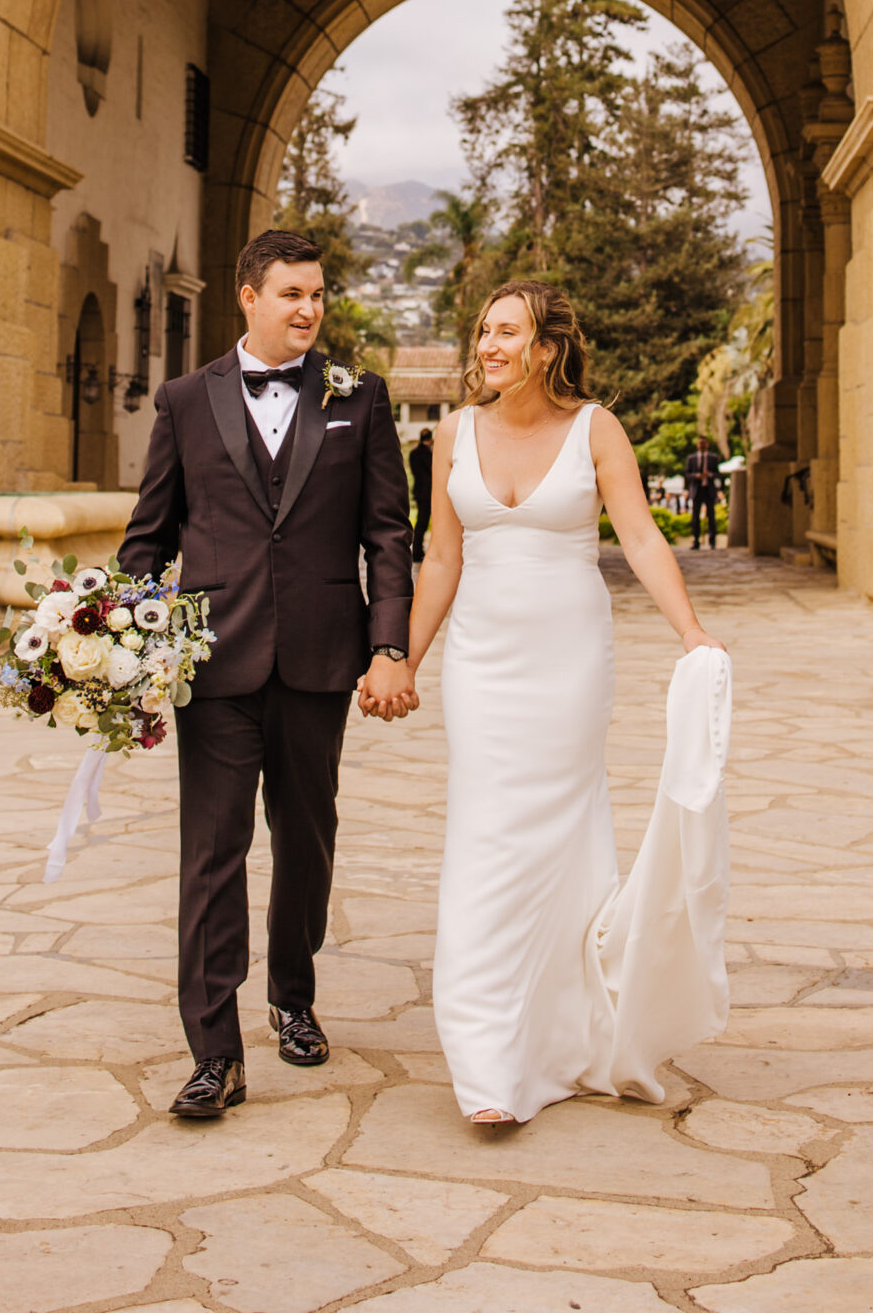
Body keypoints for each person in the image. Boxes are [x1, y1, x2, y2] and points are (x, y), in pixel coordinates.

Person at [364, 279, 728, 1124]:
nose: (486, 347)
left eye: (505, 333)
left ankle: (565, 1037)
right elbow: (442, 558)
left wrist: (692, 633)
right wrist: (401, 660)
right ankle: (489, 1064)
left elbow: (636, 533)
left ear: (546, 348)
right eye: (483, 332)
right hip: (483, 666)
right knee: (486, 838)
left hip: (569, 660)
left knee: (562, 836)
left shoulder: (595, 429)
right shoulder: (452, 434)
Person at [118, 228, 414, 1120]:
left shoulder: (357, 398)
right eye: (291, 293)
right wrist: (120, 642)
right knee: (210, 856)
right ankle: (214, 1052)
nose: (308, 309)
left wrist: (389, 645)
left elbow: (387, 535)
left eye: (316, 294)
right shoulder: (182, 399)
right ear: (247, 297)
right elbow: (150, 534)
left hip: (320, 659)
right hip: (214, 661)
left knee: (306, 841)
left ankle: (291, 993)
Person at [686, 437, 724, 550]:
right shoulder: (691, 458)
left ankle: (712, 541)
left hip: (709, 489)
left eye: (704, 443)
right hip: (697, 490)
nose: (702, 445)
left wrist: (710, 475)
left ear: (707, 444)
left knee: (711, 516)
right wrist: (696, 475)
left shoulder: (713, 458)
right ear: (697, 445)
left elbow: (718, 474)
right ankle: (696, 540)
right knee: (695, 517)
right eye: (700, 443)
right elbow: (687, 474)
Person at [409, 425, 434, 562]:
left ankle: (417, 549)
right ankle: (417, 550)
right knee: (423, 522)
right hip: (428, 492)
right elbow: (432, 471)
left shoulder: (413, 453)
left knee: (421, 522)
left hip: (419, 491)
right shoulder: (428, 453)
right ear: (429, 439)